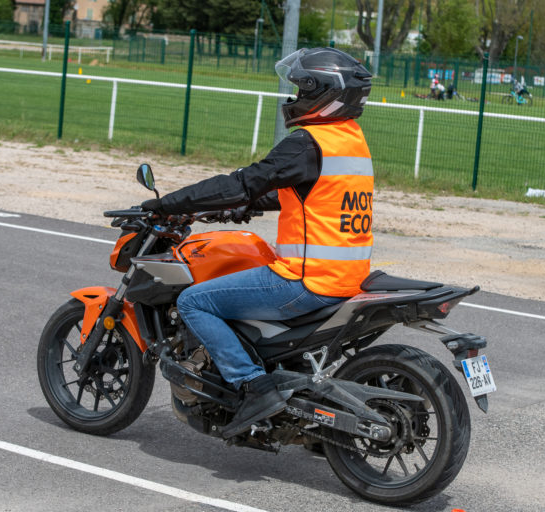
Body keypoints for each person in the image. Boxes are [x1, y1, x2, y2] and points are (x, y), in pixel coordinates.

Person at [140, 48, 374, 438]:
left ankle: (253, 386)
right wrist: (235, 210)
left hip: (305, 282)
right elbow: (301, 192)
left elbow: (244, 182)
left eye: (301, 89)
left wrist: (169, 203)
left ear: (324, 93)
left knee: (194, 301)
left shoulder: (307, 142)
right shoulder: (349, 142)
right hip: (347, 277)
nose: (294, 98)